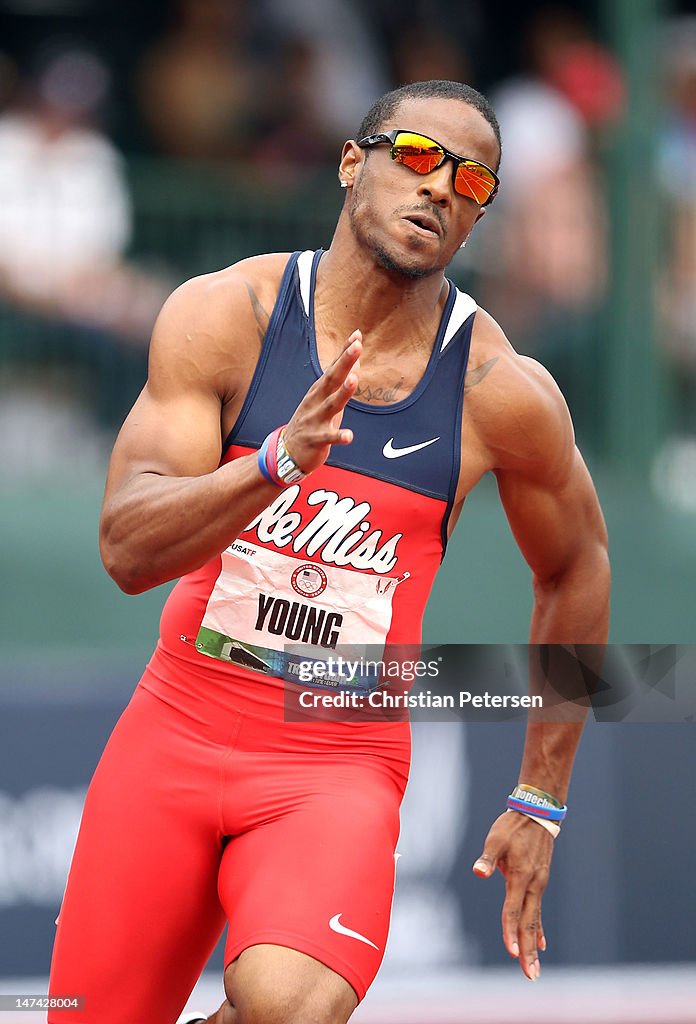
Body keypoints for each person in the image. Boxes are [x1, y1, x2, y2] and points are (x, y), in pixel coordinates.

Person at [47, 80, 610, 1024]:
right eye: (420, 157)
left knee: (288, 1005)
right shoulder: (229, 315)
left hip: (336, 757)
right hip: (176, 732)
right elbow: (126, 549)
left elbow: (577, 566)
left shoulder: (498, 389)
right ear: (356, 163)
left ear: (479, 217)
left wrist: (541, 796)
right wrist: (270, 466)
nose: (442, 189)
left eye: (473, 181)